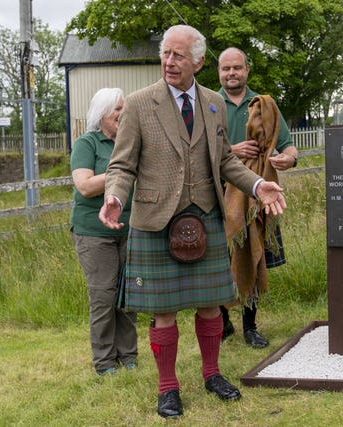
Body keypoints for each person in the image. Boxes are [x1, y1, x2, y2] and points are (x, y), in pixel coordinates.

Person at [98, 25, 286, 419]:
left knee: (210, 306)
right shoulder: (138, 103)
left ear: (199, 61)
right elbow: (121, 164)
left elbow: (225, 161)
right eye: (165, 53)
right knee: (162, 311)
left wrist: (258, 186)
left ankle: (212, 373)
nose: (169, 61)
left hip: (205, 215)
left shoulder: (214, 102)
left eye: (178, 55)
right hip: (154, 220)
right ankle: (168, 388)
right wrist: (115, 195)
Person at [217, 47, 299, 349]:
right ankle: (222, 321)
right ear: (219, 72)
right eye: (226, 69)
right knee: (220, 261)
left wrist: (287, 161)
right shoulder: (209, 105)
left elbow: (289, 147)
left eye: (237, 68)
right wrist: (233, 151)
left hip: (256, 200)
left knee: (254, 256)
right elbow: (198, 154)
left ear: (247, 70)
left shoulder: (265, 105)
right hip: (219, 198)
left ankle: (250, 326)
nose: (231, 74)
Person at [70, 88, 138, 376]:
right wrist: (120, 169)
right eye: (117, 110)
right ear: (102, 115)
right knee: (103, 296)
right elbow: (84, 186)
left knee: (127, 295)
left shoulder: (129, 142)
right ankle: (104, 362)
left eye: (125, 108)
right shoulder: (88, 143)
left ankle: (129, 356)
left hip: (129, 227)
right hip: (93, 232)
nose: (123, 114)